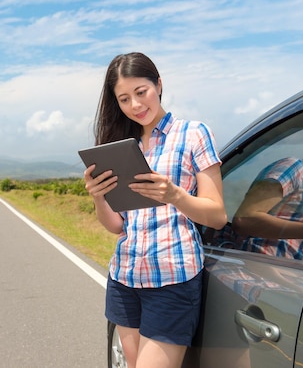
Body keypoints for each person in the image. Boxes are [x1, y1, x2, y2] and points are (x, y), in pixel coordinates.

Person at [83, 52, 227, 368]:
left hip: (173, 278)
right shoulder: (120, 145)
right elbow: (118, 226)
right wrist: (98, 197)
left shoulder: (193, 134)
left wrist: (176, 196)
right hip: (125, 276)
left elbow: (217, 214)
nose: (135, 105)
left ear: (158, 85)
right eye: (124, 99)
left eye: (141, 92)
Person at [228, 154, 303, 260]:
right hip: (254, 267)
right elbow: (244, 219)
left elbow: (289, 247)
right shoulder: (293, 168)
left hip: (281, 270)